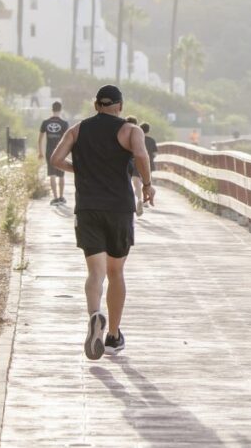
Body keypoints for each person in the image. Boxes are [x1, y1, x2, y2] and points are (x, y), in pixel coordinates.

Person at [49, 85, 155, 360]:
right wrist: (147, 184)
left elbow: (56, 159)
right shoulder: (131, 131)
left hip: (88, 208)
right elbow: (141, 155)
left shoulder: (77, 130)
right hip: (119, 209)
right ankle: (113, 335)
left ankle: (95, 314)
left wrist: (79, 168)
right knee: (116, 272)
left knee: (95, 273)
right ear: (120, 106)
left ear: (96, 105)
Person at [38, 101, 69, 204]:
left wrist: (40, 152)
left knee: (52, 174)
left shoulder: (45, 122)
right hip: (61, 152)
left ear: (52, 109)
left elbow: (40, 139)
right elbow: (67, 140)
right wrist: (67, 152)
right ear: (60, 109)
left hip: (49, 152)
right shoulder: (64, 123)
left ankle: (55, 198)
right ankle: (61, 197)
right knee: (61, 175)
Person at [124, 116, 144, 216]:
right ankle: (139, 199)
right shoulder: (138, 133)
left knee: (125, 184)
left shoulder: (121, 133)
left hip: (124, 163)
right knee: (137, 184)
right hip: (135, 162)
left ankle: (129, 204)